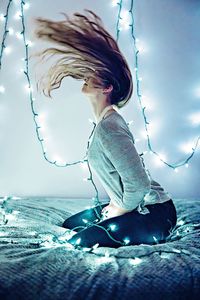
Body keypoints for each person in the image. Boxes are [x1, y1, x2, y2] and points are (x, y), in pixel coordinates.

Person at [32, 9, 177, 248]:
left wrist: (118, 209)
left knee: (78, 242)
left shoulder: (110, 127)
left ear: (107, 87)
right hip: (139, 205)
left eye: (95, 75)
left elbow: (139, 185)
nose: (88, 76)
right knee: (68, 226)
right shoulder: (107, 123)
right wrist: (115, 205)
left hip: (155, 213)